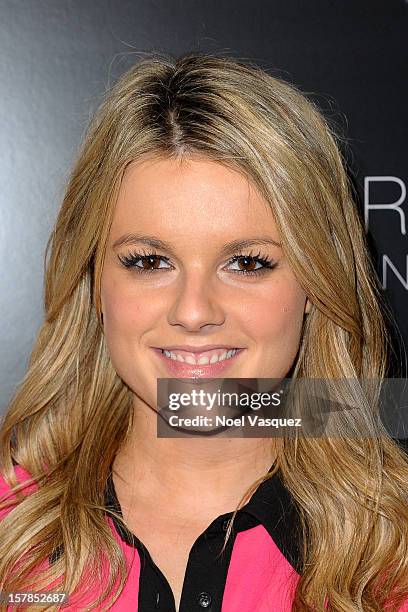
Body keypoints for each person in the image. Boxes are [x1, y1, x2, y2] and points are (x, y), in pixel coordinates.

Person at [1, 51, 408, 612]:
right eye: (148, 261)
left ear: (315, 283)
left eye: (247, 263)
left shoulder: (391, 552)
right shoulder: (10, 529)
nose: (193, 312)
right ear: (95, 283)